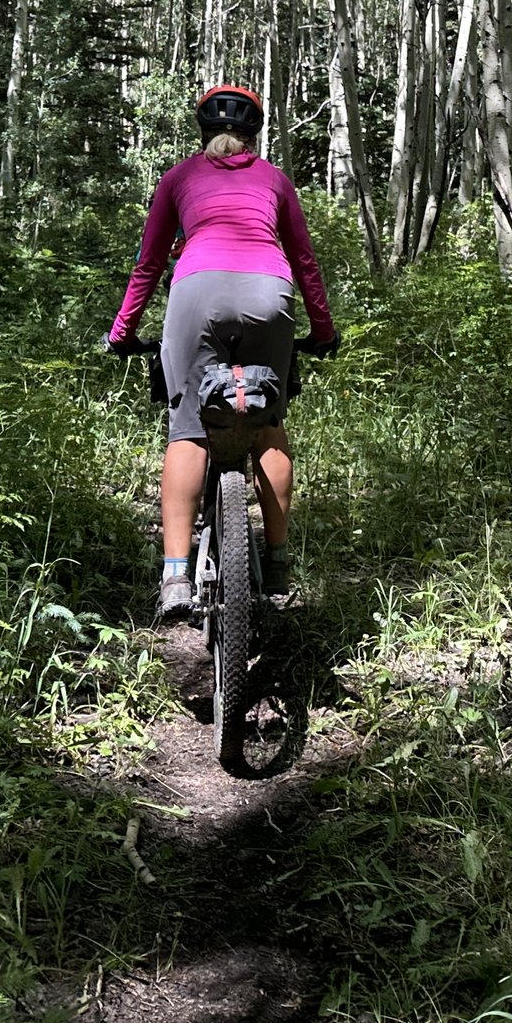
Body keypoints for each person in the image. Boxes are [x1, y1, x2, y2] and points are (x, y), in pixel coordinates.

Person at [108, 83, 340, 622]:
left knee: (186, 428)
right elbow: (305, 261)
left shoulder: (180, 177)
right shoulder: (275, 180)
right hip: (269, 294)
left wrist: (123, 331)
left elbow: (148, 263)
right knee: (269, 426)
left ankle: (174, 576)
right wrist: (322, 330)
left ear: (203, 132)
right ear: (254, 134)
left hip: (196, 291)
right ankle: (278, 564)